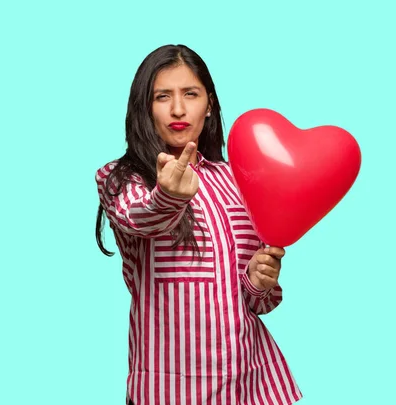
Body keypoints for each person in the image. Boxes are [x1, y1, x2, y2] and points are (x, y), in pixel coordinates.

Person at [95, 44, 302, 405]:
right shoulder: (121, 177)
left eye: (190, 94)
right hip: (170, 391)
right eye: (163, 96)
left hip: (247, 385)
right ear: (145, 107)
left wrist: (257, 281)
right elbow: (139, 218)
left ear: (209, 104)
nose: (178, 109)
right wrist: (169, 196)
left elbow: (258, 303)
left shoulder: (238, 180)